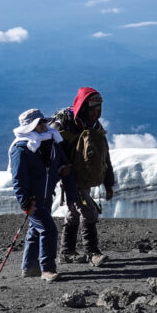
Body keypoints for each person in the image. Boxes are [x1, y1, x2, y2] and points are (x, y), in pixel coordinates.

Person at [50, 87, 116, 267]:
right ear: (85, 108)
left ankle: (67, 252)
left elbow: (104, 156)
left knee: (73, 213)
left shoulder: (93, 126)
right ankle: (92, 253)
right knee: (88, 211)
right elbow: (51, 152)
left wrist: (108, 183)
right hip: (69, 176)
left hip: (82, 176)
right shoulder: (65, 123)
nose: (97, 113)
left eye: (99, 109)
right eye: (94, 109)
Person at [9, 108, 74, 282]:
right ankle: (47, 269)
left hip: (46, 197)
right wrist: (25, 202)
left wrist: (62, 169)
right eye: (39, 123)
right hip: (33, 200)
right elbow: (18, 179)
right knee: (49, 229)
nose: (44, 125)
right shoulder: (21, 149)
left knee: (35, 231)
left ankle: (29, 267)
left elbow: (56, 166)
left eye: (44, 121)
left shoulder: (51, 142)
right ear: (29, 127)